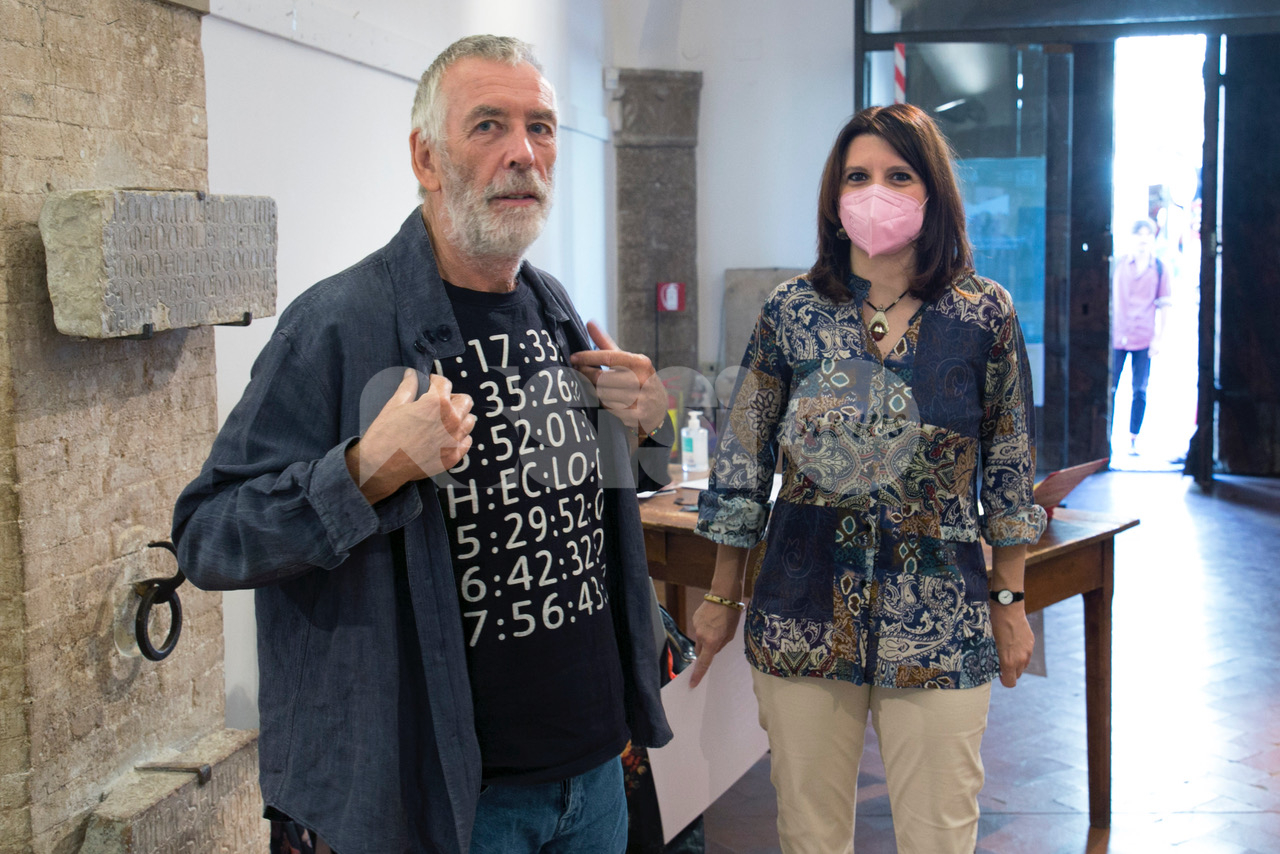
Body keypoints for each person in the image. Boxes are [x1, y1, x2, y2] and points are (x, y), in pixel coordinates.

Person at [172, 35, 673, 854]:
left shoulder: (554, 310)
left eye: (541, 127)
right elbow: (208, 536)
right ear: (426, 158)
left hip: (591, 778)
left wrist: (650, 429)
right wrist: (363, 473)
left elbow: (588, 505)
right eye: (489, 125)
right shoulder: (336, 325)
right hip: (445, 803)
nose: (523, 152)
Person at [686, 103, 1046, 853]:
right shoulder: (792, 312)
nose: (875, 191)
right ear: (834, 194)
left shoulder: (984, 315)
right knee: (809, 834)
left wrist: (1010, 601)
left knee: (940, 835)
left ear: (932, 190)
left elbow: (1011, 468)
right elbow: (744, 460)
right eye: (857, 176)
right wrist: (721, 595)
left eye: (898, 175)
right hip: (803, 605)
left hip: (940, 615)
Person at [1111, 217, 1172, 455]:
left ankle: (1133, 437)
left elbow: (1164, 304)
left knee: (1140, 389)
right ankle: (1106, 438)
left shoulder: (1159, 268)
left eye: (1148, 234)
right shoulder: (1119, 263)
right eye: (1139, 234)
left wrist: (1158, 338)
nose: (1143, 239)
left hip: (1143, 336)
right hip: (1118, 335)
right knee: (1111, 387)